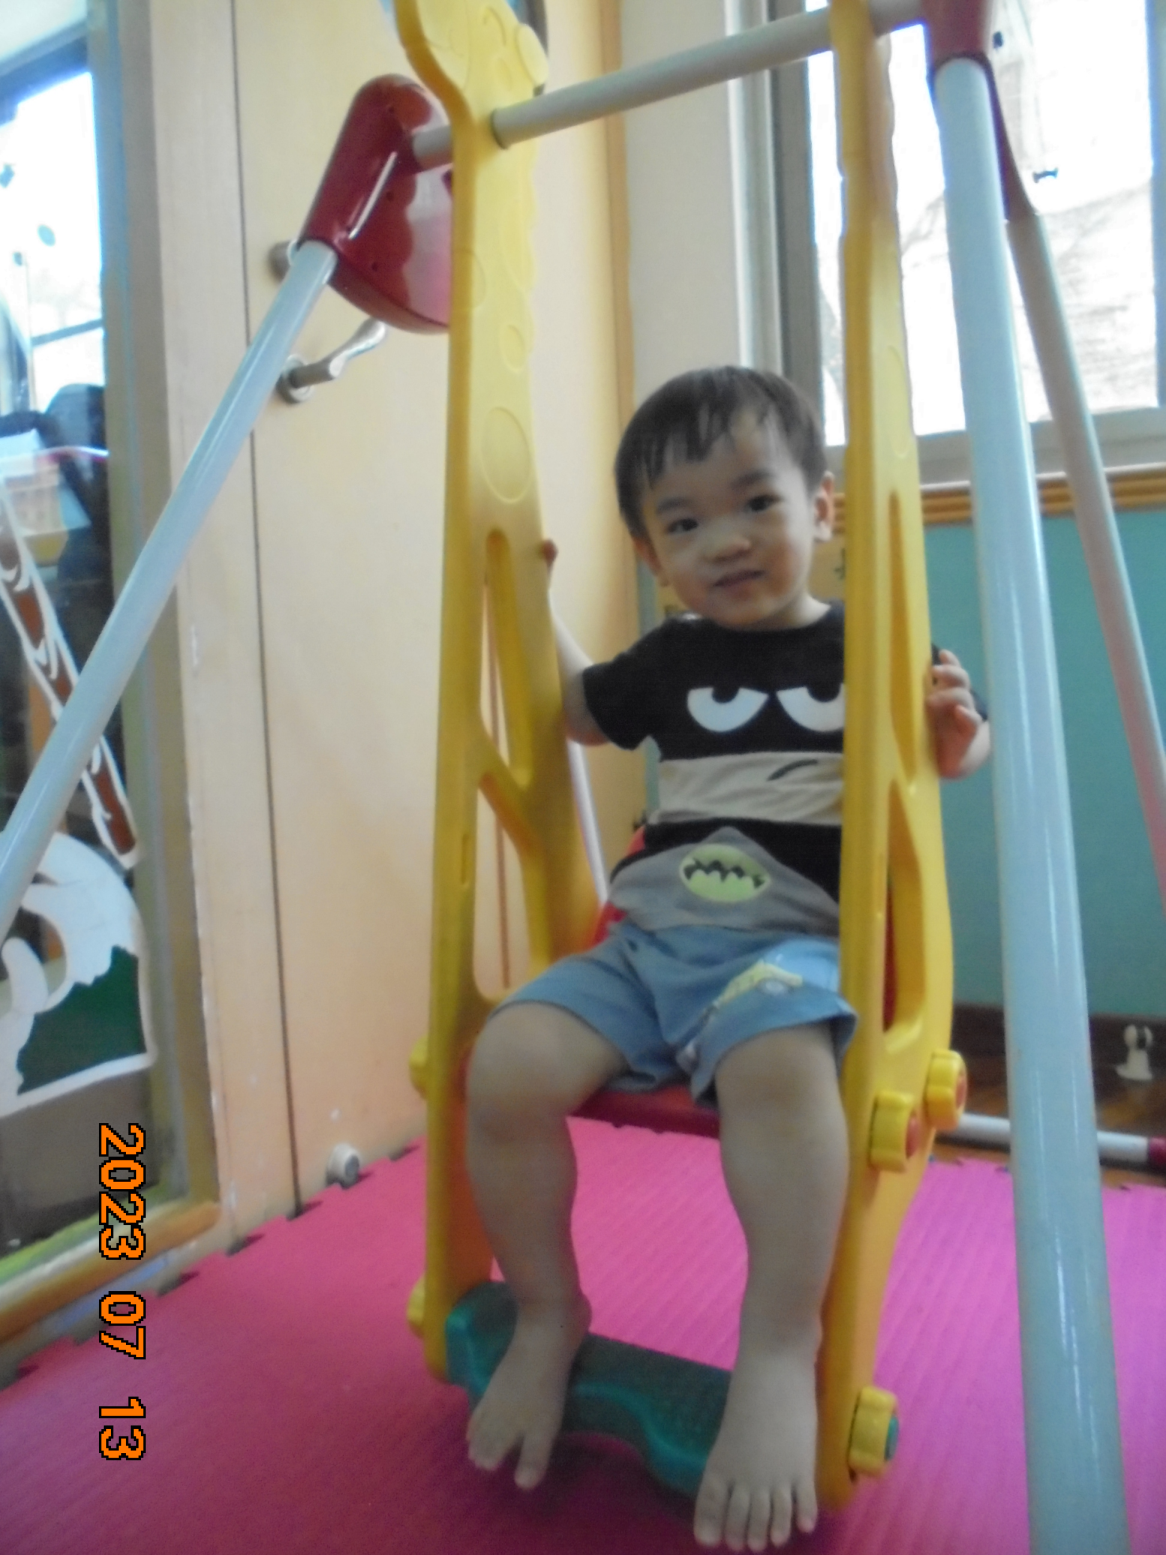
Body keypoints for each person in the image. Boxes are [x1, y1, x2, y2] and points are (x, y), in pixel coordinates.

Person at [463, 366, 990, 1551]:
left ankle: (778, 1345)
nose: (727, 540)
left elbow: (951, 753)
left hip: (789, 943)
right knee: (504, 1063)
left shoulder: (872, 643)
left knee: (776, 1066)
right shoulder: (669, 657)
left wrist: (954, 732)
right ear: (654, 556)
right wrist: (529, 597)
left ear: (821, 509)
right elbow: (574, 709)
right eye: (685, 523)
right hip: (647, 940)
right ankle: (546, 1310)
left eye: (756, 502)